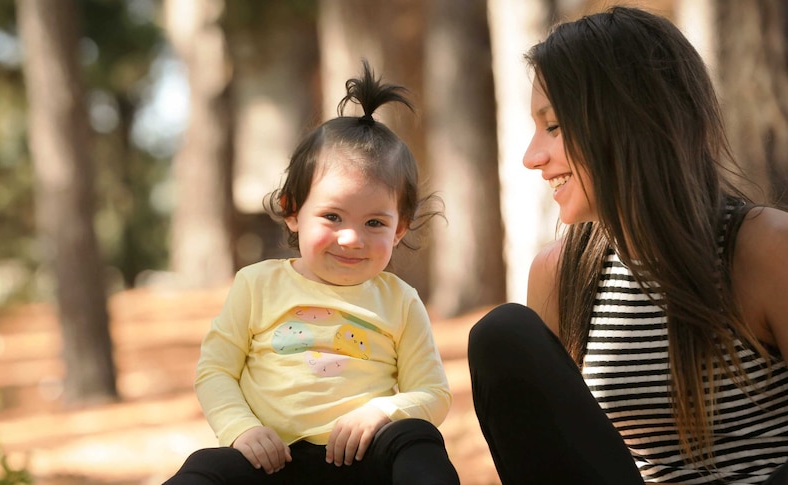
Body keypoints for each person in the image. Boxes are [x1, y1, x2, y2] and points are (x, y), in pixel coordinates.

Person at [468, 6, 788, 485]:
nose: (532, 157)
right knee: (502, 336)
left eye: (553, 126)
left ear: (628, 121)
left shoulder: (763, 248)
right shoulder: (560, 275)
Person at [164, 60, 459, 485]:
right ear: (292, 211)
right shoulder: (258, 285)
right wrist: (242, 430)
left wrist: (381, 412)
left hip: (361, 462)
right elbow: (216, 371)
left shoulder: (398, 300)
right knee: (206, 467)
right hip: (270, 461)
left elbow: (433, 393)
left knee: (416, 438)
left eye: (375, 223)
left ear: (400, 230)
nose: (351, 238)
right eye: (333, 216)